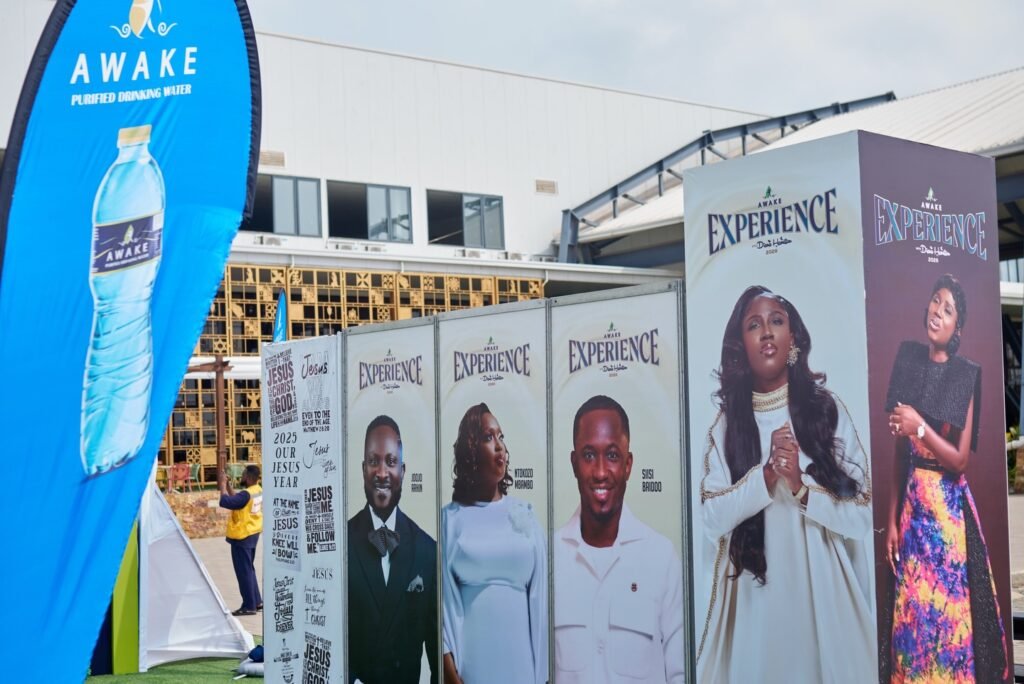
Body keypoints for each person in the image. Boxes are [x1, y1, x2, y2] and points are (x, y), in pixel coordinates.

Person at [697, 285, 874, 683]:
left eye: (776, 321)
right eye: (753, 325)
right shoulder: (726, 426)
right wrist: (765, 477)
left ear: (793, 338)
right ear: (741, 346)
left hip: (823, 602)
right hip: (754, 603)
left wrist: (800, 488)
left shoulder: (826, 411)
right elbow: (710, 519)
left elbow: (863, 515)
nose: (766, 332)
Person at [884, 274, 1008, 682]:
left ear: (957, 329)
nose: (938, 311)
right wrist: (891, 520)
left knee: (951, 620)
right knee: (913, 617)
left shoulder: (964, 375)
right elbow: (899, 452)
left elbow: (959, 460)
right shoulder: (907, 360)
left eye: (948, 309)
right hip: (913, 511)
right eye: (936, 301)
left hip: (948, 519)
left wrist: (919, 427)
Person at [554, 394, 685, 684]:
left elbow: (680, 674)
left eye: (612, 455)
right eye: (589, 455)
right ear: (574, 464)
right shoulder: (549, 558)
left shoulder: (661, 558)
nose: (601, 472)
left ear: (628, 464)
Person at [442, 403, 546, 684]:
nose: (500, 446)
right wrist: (449, 671)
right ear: (471, 451)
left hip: (523, 671)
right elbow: (441, 607)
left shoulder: (526, 515)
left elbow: (541, 600)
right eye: (488, 437)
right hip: (472, 671)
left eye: (501, 437)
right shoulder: (450, 519)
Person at [348, 415, 438, 684]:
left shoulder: (427, 550)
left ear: (403, 470)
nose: (382, 472)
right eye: (373, 461)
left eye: (390, 461)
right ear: (363, 469)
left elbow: (437, 650)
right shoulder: (340, 546)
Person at [219, 464, 263, 617]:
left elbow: (226, 502)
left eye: (243, 474)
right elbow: (237, 501)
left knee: (244, 572)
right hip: (252, 533)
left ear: (248, 478)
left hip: (242, 536)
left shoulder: (246, 494)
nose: (241, 476)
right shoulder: (257, 490)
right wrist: (229, 486)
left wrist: (222, 485)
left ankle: (249, 606)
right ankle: (256, 601)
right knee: (249, 569)